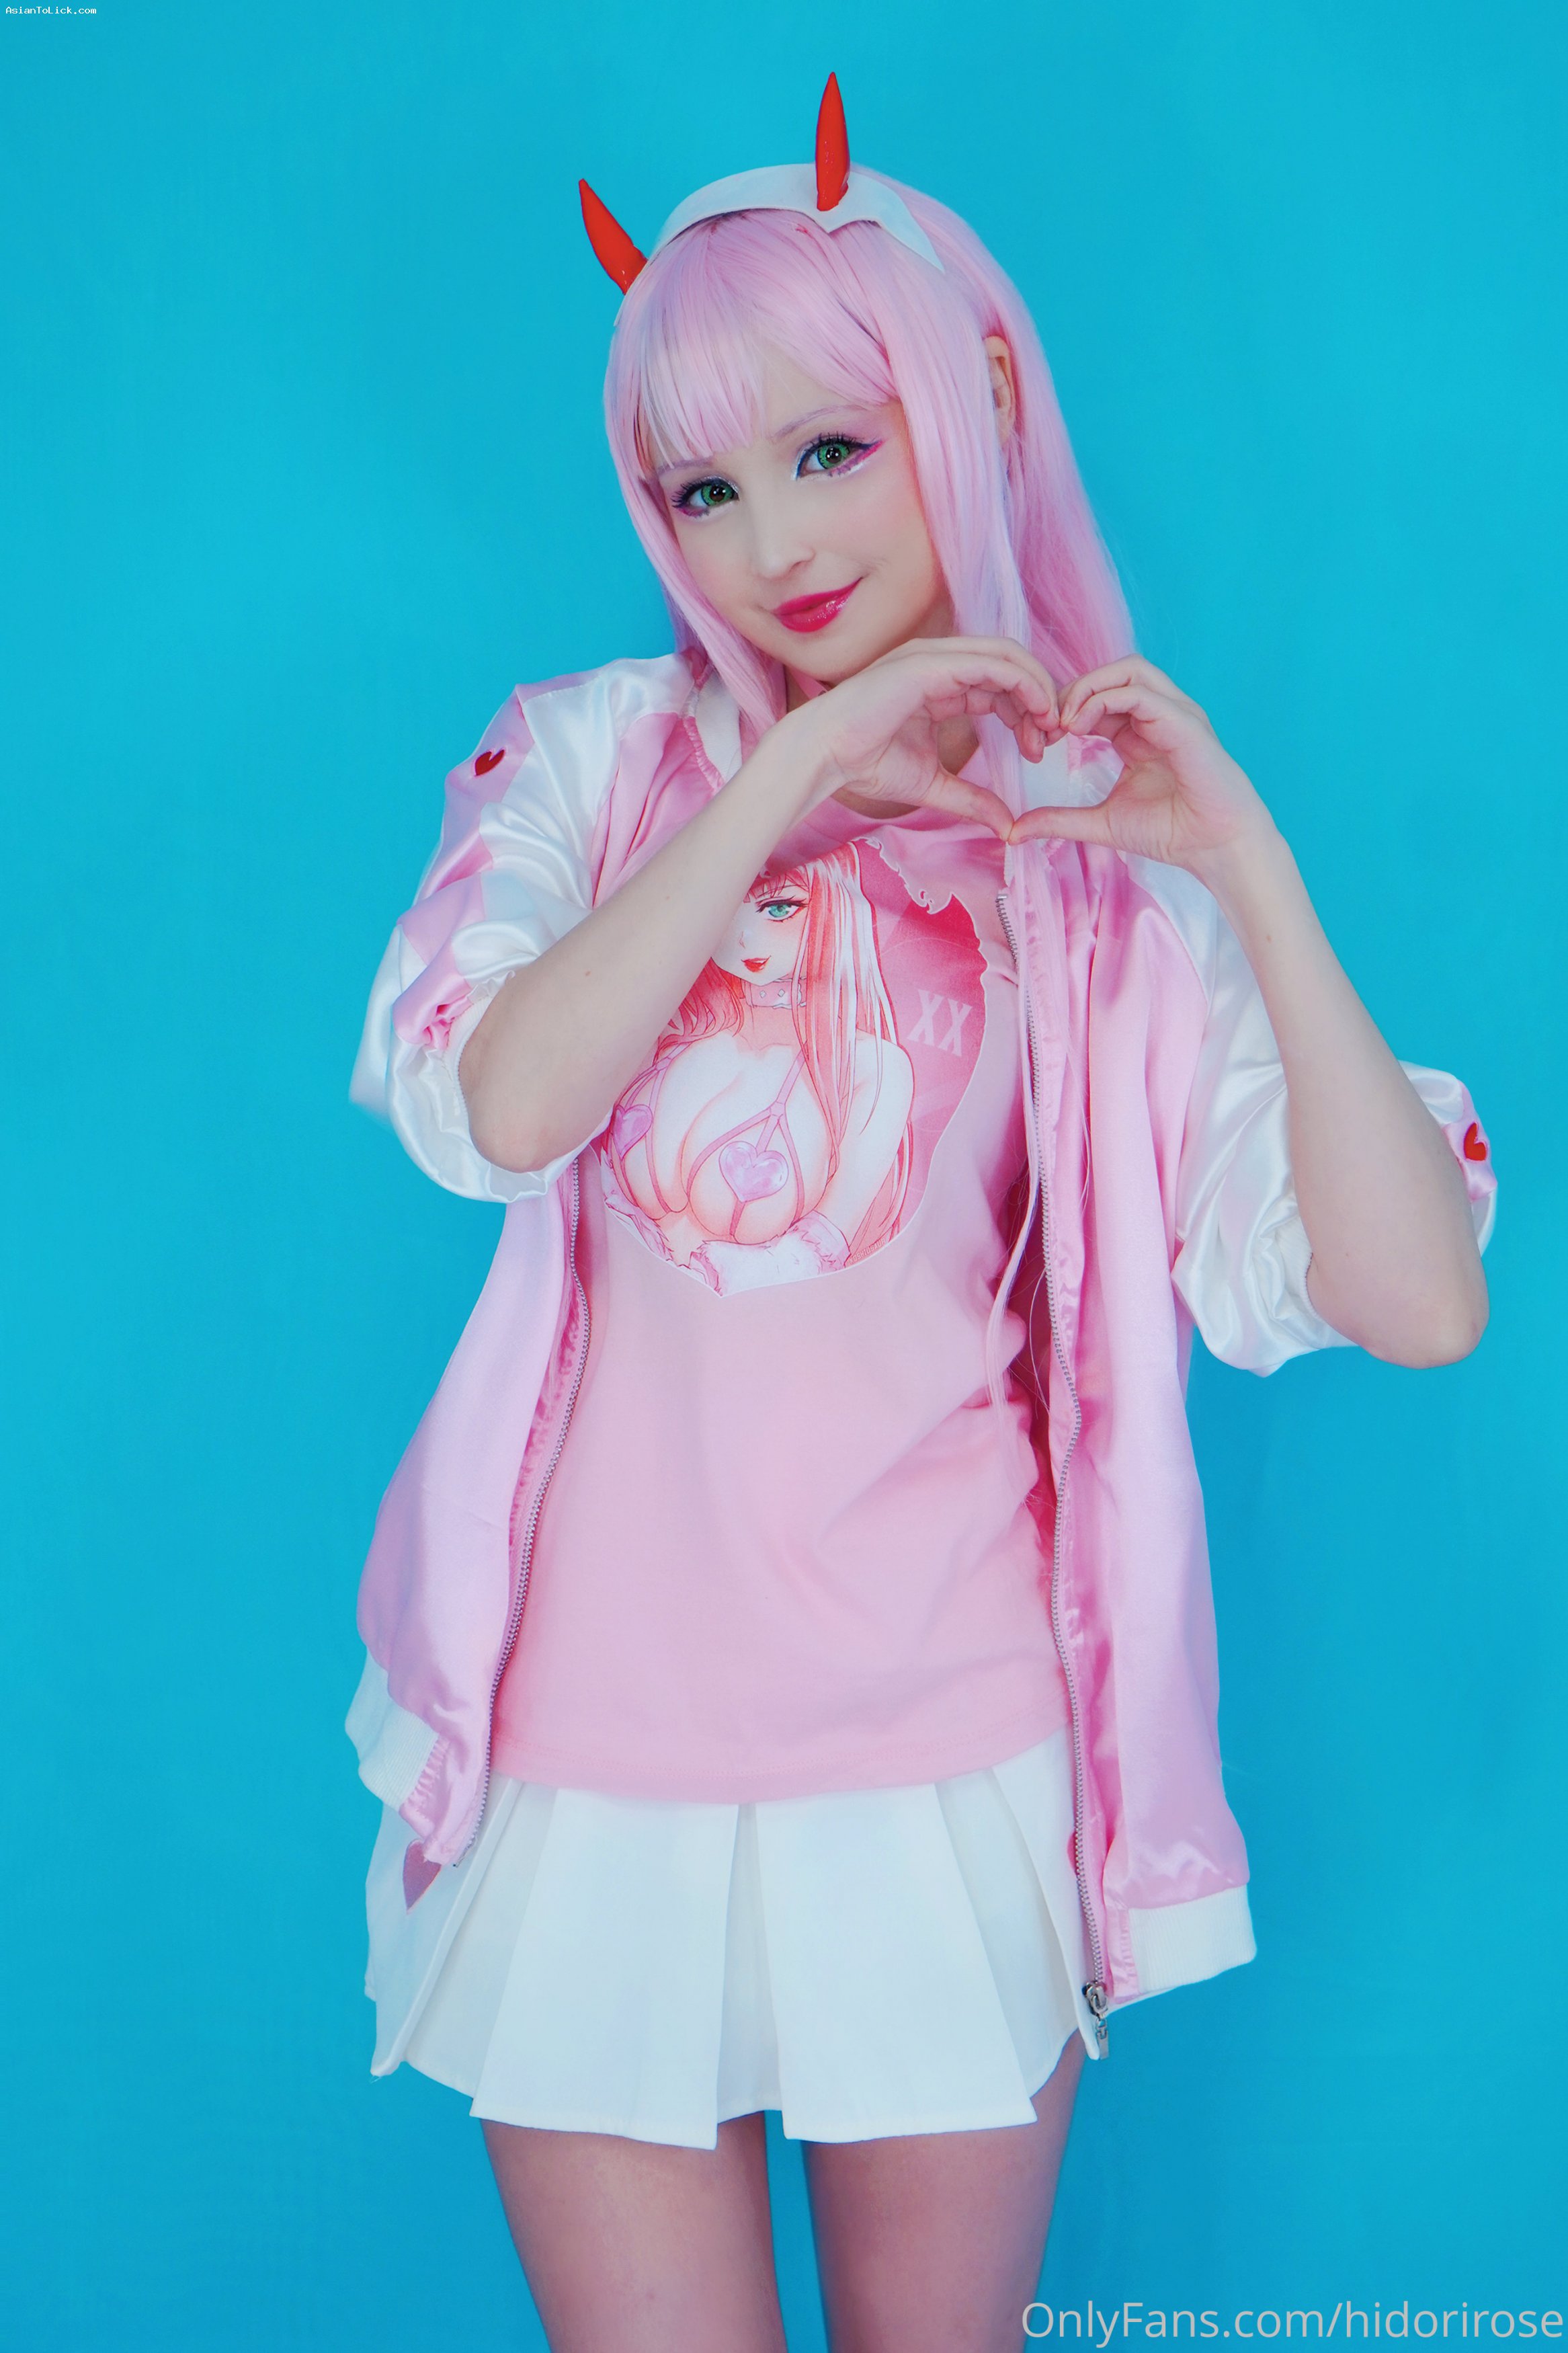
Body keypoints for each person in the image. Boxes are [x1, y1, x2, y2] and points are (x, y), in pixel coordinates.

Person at [346, 79, 1495, 2353]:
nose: (770, 539)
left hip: (945, 1766)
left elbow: (1418, 1295)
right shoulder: (594, 763)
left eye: (828, 449)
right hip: (590, 1768)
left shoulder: (1100, 871)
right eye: (704, 486)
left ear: (970, 399)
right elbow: (497, 1104)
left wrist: (1247, 865)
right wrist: (789, 766)